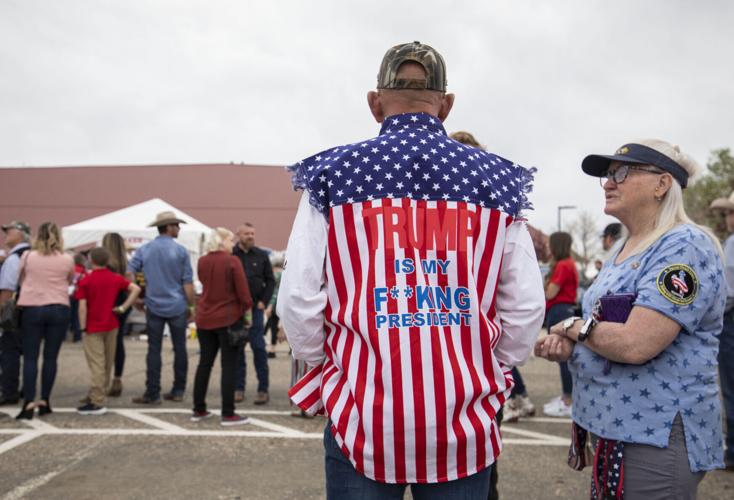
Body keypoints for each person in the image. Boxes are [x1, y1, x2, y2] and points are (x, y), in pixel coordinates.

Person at [279, 41, 545, 498]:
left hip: (363, 411)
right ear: (446, 105)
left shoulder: (334, 173)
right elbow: (524, 306)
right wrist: (496, 372)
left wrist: (328, 368)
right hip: (462, 415)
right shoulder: (496, 180)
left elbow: (299, 298)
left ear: (375, 103)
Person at [536, 139, 726, 498]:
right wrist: (571, 347)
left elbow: (636, 343)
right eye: (608, 175)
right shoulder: (624, 247)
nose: (609, 182)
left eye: (622, 172)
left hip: (655, 436)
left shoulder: (683, 245)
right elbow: (604, 325)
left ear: (662, 184)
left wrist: (572, 327)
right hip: (618, 429)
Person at [128, 211, 195, 404]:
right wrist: (191, 305)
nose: (179, 228)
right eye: (177, 225)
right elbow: (187, 283)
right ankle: (178, 389)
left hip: (154, 304)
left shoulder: (145, 249)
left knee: (154, 349)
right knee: (180, 348)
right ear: (168, 227)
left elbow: (129, 271)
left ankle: (152, 392)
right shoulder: (181, 251)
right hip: (177, 305)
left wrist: (136, 297)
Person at [191, 228, 253, 426]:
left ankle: (199, 408)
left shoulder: (202, 261)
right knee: (229, 367)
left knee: (204, 364)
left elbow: (203, 284)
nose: (232, 243)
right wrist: (246, 311)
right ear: (221, 241)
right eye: (229, 239)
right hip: (228, 318)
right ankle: (228, 413)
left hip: (204, 318)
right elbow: (243, 293)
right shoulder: (232, 261)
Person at [15, 222, 74, 419]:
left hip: (32, 307)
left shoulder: (28, 256)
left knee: (31, 357)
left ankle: (29, 402)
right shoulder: (67, 259)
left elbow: (20, 278)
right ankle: (45, 400)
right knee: (50, 357)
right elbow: (69, 280)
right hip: (59, 307)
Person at [76, 247, 141, 415]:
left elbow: (82, 307)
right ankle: (97, 393)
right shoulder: (115, 278)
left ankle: (97, 400)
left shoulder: (86, 280)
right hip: (112, 324)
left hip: (93, 326)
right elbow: (136, 289)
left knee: (96, 363)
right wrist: (124, 307)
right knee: (106, 362)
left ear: (92, 260)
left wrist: (82, 327)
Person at [233, 222, 274, 405]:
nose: (250, 236)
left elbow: (270, 281)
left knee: (259, 349)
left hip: (256, 311)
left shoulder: (262, 255)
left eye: (252, 233)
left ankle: (263, 389)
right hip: (237, 311)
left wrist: (263, 302)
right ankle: (238, 389)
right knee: (238, 350)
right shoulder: (231, 255)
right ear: (238, 235)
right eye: (247, 233)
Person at [541, 232, 578, 418]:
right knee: (562, 357)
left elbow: (550, 293)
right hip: (561, 310)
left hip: (560, 310)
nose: (548, 248)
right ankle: (567, 396)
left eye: (550, 244)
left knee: (562, 357)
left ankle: (568, 400)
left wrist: (543, 286)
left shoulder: (563, 265)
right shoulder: (566, 264)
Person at [710, 191, 734, 470]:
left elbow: (728, 291)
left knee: (730, 386)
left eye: (730, 213)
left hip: (731, 322)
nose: (728, 218)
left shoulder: (731, 244)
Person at [0, 221, 31, 405]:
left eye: (9, 231)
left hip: (15, 309)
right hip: (33, 307)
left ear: (20, 234)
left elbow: (7, 290)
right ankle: (27, 390)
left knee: (9, 351)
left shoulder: (14, 258)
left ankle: (9, 391)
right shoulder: (34, 254)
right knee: (29, 352)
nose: (6, 234)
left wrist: (1, 314)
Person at [103, 232, 131, 398]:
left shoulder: (103, 263)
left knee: (102, 341)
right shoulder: (126, 264)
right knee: (118, 341)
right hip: (122, 302)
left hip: (106, 302)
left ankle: (102, 379)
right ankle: (117, 378)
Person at [265, 256, 284, 359]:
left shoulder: (276, 275)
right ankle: (291, 349)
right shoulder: (285, 273)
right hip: (285, 304)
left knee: (273, 326)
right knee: (284, 326)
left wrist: (270, 305)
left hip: (275, 304)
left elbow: (275, 292)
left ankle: (272, 349)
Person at [68, 253, 87, 342]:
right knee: (77, 316)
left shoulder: (71, 269)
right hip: (80, 295)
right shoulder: (83, 271)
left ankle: (64, 335)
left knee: (68, 315)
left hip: (69, 294)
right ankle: (77, 336)